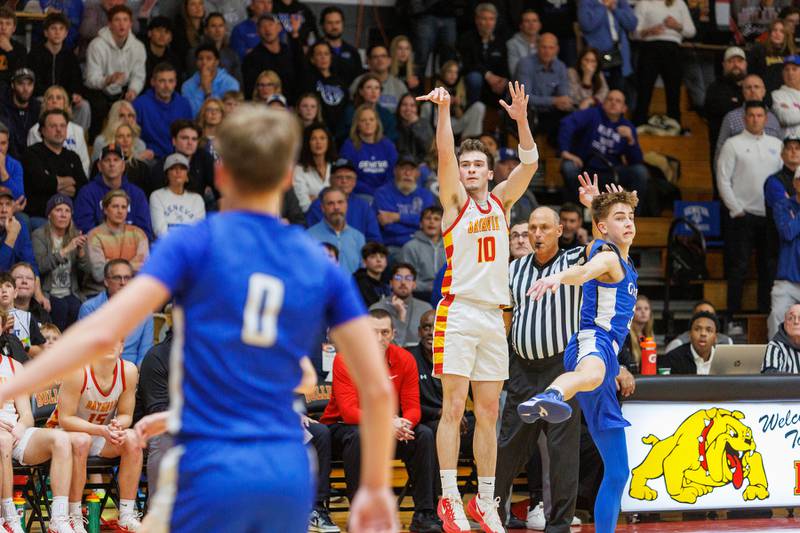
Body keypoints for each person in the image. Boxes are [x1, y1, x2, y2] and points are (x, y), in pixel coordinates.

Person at [416, 81, 538, 532]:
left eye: (476, 165)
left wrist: (522, 121)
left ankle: (485, 501)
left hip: (493, 316)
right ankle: (449, 496)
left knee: (489, 413)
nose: (468, 169)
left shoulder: (503, 203)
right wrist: (445, 111)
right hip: (459, 311)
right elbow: (444, 156)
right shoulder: (454, 205)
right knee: (453, 409)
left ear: (489, 173)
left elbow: (530, 163)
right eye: (465, 165)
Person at [518, 189, 640, 533]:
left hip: (608, 355)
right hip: (593, 341)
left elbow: (602, 232)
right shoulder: (608, 257)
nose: (628, 222)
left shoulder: (623, 258)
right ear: (602, 227)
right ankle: (552, 395)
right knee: (591, 372)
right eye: (619, 218)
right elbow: (588, 269)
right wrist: (559, 277)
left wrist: (595, 206)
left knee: (618, 472)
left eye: (630, 217)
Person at [500, 205, 601, 531]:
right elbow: (507, 318)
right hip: (523, 369)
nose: (537, 234)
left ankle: (558, 525)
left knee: (562, 452)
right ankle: (495, 514)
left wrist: (592, 208)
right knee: (508, 446)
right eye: (532, 228)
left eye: (545, 227)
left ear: (559, 230)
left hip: (561, 369)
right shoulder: (514, 270)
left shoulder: (573, 261)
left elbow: (604, 249)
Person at [321, 309, 439, 532]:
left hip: (389, 430)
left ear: (393, 334)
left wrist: (404, 425)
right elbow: (349, 412)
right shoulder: (345, 359)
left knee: (423, 434)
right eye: (373, 332)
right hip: (344, 428)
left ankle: (425, 513)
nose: (379, 338)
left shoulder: (404, 359)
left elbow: (413, 407)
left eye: (384, 332)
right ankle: (359, 513)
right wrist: (388, 423)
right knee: (358, 435)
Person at [45, 341, 143, 532]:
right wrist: (101, 430)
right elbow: (65, 419)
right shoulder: (78, 371)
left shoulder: (129, 371)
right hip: (65, 435)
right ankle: (74, 516)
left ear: (122, 347)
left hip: (99, 433)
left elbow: (126, 415)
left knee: (132, 438)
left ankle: (126, 515)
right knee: (82, 440)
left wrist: (117, 425)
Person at [0, 317, 75, 533]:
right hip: (2, 438)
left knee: (61, 438)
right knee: (2, 441)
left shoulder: (14, 367)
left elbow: (25, 414)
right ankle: (7, 516)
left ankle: (59, 519)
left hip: (13, 432)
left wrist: (19, 428)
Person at [717, 100, 782, 314]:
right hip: (743, 216)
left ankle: (765, 313)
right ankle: (733, 315)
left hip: (770, 217)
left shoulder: (776, 144)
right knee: (739, 268)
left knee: (768, 268)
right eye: (751, 115)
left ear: (766, 118)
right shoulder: (732, 144)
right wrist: (736, 210)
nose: (755, 119)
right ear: (745, 118)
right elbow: (723, 179)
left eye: (759, 115)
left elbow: (782, 180)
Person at [559, 90, 649, 207]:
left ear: (624, 108)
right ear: (603, 103)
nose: (613, 103)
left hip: (612, 170)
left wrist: (631, 140)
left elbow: (636, 161)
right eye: (610, 99)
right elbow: (567, 123)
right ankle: (579, 212)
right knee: (568, 167)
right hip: (586, 167)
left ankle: (633, 214)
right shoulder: (592, 114)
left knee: (640, 172)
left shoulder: (627, 127)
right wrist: (565, 151)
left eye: (618, 101)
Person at [83, 5, 147, 138]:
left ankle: (133, 143)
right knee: (98, 106)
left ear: (130, 23)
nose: (121, 24)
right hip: (98, 90)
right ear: (109, 24)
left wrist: (133, 90)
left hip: (123, 90)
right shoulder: (96, 45)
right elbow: (91, 78)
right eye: (117, 20)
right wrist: (108, 80)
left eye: (125, 20)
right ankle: (95, 143)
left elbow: (139, 75)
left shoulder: (138, 47)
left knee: (139, 105)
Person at [632, 0, 696, 127]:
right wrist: (648, 31)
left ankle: (674, 125)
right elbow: (633, 33)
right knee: (644, 89)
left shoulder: (679, 3)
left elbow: (691, 31)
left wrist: (677, 26)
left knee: (674, 90)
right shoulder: (643, 3)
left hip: (673, 49)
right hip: (649, 48)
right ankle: (638, 124)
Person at [78, 259, 153, 365]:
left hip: (133, 372)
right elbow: (86, 351)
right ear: (106, 281)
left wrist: (134, 375)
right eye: (117, 278)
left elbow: (145, 354)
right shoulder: (90, 309)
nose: (123, 283)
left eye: (127, 278)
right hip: (99, 370)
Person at [31, 194, 88, 331]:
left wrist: (81, 253)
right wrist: (66, 249)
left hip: (71, 291)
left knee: (78, 308)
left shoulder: (75, 235)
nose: (63, 215)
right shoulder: (39, 235)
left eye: (67, 211)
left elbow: (87, 273)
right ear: (49, 214)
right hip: (49, 291)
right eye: (58, 210)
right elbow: (40, 266)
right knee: (61, 308)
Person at [27, 12, 90, 133]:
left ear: (66, 33)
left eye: (61, 29)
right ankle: (42, 134)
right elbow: (33, 83)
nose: (57, 32)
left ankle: (76, 138)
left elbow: (76, 82)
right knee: (37, 103)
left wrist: (73, 96)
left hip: (65, 99)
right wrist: (52, 98)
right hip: (44, 98)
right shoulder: (35, 55)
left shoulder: (70, 56)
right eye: (53, 28)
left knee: (84, 106)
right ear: (46, 32)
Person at [21, 109, 88, 221]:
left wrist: (53, 184)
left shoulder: (73, 157)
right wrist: (69, 182)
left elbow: (83, 187)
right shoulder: (31, 153)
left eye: (62, 126)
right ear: (42, 130)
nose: (59, 130)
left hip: (70, 218)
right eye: (53, 126)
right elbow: (39, 182)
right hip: (40, 217)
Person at [74, 144, 152, 238]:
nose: (112, 164)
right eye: (107, 160)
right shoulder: (87, 193)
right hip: (98, 248)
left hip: (130, 248)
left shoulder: (137, 194)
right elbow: (84, 230)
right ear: (99, 166)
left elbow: (144, 232)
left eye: (116, 160)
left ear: (123, 166)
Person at [84, 190, 150, 298]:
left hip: (132, 291)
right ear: (105, 209)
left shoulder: (139, 234)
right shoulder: (94, 235)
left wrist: (110, 265)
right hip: (100, 293)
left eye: (124, 207)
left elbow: (145, 269)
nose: (120, 211)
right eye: (115, 206)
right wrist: (132, 264)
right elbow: (99, 274)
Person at [305, 158, 382, 243]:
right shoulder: (317, 206)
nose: (344, 181)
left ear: (354, 182)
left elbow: (374, 239)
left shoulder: (364, 207)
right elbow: (311, 240)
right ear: (330, 180)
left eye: (348, 177)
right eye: (339, 177)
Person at [373, 154, 436, 251]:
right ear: (395, 171)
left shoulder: (426, 195)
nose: (407, 173)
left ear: (418, 173)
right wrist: (417, 223)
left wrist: (397, 217)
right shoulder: (382, 193)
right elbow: (389, 227)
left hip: (422, 245)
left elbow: (431, 223)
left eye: (412, 169)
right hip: (394, 245)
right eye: (403, 169)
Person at [135, 334, 172, 497]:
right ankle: (157, 510)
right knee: (165, 437)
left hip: (196, 423)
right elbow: (157, 409)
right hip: (149, 429)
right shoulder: (158, 356)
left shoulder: (211, 357)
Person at [714, 74, 782, 162]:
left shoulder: (773, 118)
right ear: (743, 92)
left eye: (756, 87)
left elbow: (782, 150)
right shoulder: (731, 118)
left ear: (764, 91)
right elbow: (720, 150)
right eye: (748, 87)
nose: (753, 90)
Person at [515, 33, 572, 138]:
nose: (547, 51)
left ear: (557, 49)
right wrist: (554, 101)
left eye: (551, 48)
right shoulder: (525, 64)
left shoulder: (561, 66)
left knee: (571, 119)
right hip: (529, 112)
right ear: (537, 47)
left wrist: (563, 101)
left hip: (550, 112)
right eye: (544, 47)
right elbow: (525, 98)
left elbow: (563, 96)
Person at [133, 62, 193, 159]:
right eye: (162, 81)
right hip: (151, 158)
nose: (167, 86)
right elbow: (132, 135)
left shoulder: (184, 104)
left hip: (179, 157)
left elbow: (190, 133)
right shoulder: (139, 104)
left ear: (175, 83)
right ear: (153, 82)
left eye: (171, 81)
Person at [27, 85, 91, 176]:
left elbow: (84, 161)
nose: (54, 101)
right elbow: (33, 162)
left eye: (59, 98)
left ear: (65, 103)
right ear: (45, 103)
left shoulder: (78, 130)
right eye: (50, 98)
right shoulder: (35, 131)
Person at [767, 160, 800, 338]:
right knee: (776, 316)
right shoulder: (783, 205)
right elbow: (787, 232)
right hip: (787, 282)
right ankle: (775, 360)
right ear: (795, 183)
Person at [148, 120, 216, 204]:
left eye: (194, 139)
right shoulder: (161, 166)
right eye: (185, 138)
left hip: (199, 209)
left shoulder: (204, 158)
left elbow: (220, 192)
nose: (190, 143)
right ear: (174, 141)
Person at [340, 105, 398, 199]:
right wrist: (373, 192)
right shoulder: (349, 146)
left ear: (377, 123)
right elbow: (348, 176)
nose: (368, 123)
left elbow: (393, 173)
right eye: (363, 120)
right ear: (357, 124)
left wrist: (382, 191)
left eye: (371, 120)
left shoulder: (388, 145)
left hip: (386, 193)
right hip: (360, 194)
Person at [242, 14, 304, 103]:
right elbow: (251, 90)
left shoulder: (288, 52)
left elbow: (302, 72)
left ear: (279, 28)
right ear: (258, 31)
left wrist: (294, 33)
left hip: (291, 107)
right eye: (263, 26)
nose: (267, 29)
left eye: (271, 25)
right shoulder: (252, 58)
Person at [577, 0, 637, 91]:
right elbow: (586, 25)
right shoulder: (586, 2)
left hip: (618, 55)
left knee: (618, 93)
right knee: (599, 91)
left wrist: (615, 9)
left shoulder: (620, 2)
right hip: (597, 56)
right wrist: (603, 6)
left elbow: (632, 24)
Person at [369, 263, 433, 347]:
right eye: (398, 278)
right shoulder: (377, 309)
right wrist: (401, 316)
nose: (403, 282)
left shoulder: (425, 309)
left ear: (414, 284)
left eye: (408, 278)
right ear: (391, 283)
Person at [458, 3, 509, 107]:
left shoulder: (500, 40)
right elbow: (468, 64)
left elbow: (504, 64)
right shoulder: (466, 38)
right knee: (475, 78)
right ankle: (473, 110)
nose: (488, 23)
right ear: (477, 20)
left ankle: (505, 119)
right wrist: (487, 75)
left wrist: (503, 80)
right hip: (475, 79)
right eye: (484, 19)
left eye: (491, 19)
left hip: (494, 82)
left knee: (511, 84)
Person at [307, 187, 366, 274]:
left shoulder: (358, 237)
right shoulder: (309, 236)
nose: (336, 207)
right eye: (330, 203)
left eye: (340, 202)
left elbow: (363, 272)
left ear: (346, 205)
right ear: (322, 208)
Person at [704, 47, 747, 164]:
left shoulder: (751, 86)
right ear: (724, 65)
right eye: (731, 61)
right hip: (723, 149)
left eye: (739, 61)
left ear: (745, 64)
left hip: (749, 150)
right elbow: (721, 110)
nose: (735, 65)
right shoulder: (715, 88)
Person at [150, 154, 206, 238]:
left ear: (187, 175)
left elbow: (199, 232)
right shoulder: (156, 196)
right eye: (173, 168)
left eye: (182, 168)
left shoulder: (197, 199)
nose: (178, 171)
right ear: (167, 174)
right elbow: (160, 231)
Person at [431, 61, 486, 141]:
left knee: (479, 107)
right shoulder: (436, 84)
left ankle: (468, 143)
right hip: (441, 125)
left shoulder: (460, 86)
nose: (453, 75)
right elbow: (433, 113)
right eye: (450, 72)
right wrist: (445, 104)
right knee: (428, 107)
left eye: (456, 72)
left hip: (456, 124)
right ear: (443, 73)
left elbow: (460, 116)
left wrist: (457, 105)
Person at [181, 44, 240, 116]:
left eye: (209, 58)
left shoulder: (231, 83)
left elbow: (229, 112)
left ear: (216, 62)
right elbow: (192, 114)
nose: (204, 62)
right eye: (200, 59)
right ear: (196, 62)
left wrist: (208, 91)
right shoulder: (187, 86)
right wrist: (201, 88)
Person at [401, 206, 445, 302]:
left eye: (436, 219)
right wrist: (431, 287)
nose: (431, 222)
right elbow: (408, 278)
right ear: (421, 224)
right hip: (420, 295)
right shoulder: (410, 247)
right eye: (428, 218)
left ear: (443, 224)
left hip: (446, 293)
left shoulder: (451, 246)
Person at [338, 75, 398, 143]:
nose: (373, 91)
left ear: (380, 92)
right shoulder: (350, 112)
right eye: (369, 87)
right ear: (361, 91)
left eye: (377, 88)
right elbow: (341, 136)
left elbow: (392, 137)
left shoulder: (386, 114)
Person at [349, 44, 409, 114]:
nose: (380, 59)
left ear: (389, 60)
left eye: (383, 56)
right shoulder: (358, 82)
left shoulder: (399, 86)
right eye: (375, 57)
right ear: (368, 61)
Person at [303, 41, 348, 128]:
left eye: (326, 54)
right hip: (317, 129)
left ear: (331, 57)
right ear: (312, 59)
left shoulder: (340, 82)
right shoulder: (308, 81)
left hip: (340, 131)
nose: (323, 57)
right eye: (319, 54)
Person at [189, 12, 243, 84]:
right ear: (206, 30)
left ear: (225, 29)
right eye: (213, 26)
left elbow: (238, 83)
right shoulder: (194, 53)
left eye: (221, 26)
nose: (218, 30)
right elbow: (192, 80)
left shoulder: (232, 55)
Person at [0, 69, 41, 160]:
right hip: (9, 159)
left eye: (29, 84)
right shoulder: (2, 107)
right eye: (21, 83)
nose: (25, 88)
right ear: (12, 85)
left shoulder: (38, 108)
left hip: (35, 160)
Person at [0, 273, 45, 356]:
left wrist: (23, 346)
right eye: (0, 287)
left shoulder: (27, 317)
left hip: (23, 367)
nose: (3, 290)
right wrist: (2, 330)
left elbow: (42, 350)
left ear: (15, 293)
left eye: (8, 286)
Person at [293, 124, 335, 213]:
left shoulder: (334, 166)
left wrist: (316, 199)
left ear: (328, 142)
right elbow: (304, 205)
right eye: (313, 139)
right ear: (307, 143)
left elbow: (343, 199)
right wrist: (329, 201)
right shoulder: (299, 170)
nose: (318, 142)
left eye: (322, 138)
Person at [664, 300, 733, 352]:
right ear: (693, 318)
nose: (706, 318)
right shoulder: (678, 344)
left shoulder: (727, 341)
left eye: (710, 315)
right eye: (701, 314)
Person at [318, 6, 363, 86]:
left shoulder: (352, 52)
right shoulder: (315, 50)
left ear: (343, 24)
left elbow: (359, 80)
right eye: (330, 23)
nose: (334, 27)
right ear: (322, 25)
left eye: (337, 22)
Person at [748, 19, 795, 94]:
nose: (777, 34)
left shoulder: (792, 53)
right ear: (770, 33)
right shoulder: (758, 50)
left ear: (786, 35)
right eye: (774, 30)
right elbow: (751, 74)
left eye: (781, 31)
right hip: (763, 93)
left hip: (786, 94)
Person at [0, 188, 39, 279]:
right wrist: (11, 237)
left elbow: (30, 262)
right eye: (0, 204)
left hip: (13, 285)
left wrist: (38, 291)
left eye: (8, 204)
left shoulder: (19, 225)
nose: (4, 210)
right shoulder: (14, 230)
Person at [618, 294, 654, 374]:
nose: (643, 312)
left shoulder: (648, 335)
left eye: (646, 309)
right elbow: (627, 362)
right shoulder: (625, 336)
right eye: (638, 309)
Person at [10, 262, 52, 328]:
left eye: (29, 278)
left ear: (35, 285)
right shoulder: (2, 313)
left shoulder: (42, 314)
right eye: (19, 277)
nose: (24, 281)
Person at [762, 303, 800, 373]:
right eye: (791, 318)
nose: (796, 322)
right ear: (785, 324)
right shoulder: (776, 346)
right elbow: (770, 375)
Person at [143, 16, 183, 82]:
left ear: (171, 38)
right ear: (149, 33)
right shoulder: (139, 54)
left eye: (166, 32)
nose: (162, 35)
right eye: (159, 30)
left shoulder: (174, 60)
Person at [396, 93, 433, 162]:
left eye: (412, 105)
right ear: (399, 107)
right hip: (398, 164)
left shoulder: (424, 124)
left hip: (421, 164)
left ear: (417, 109)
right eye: (404, 105)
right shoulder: (393, 123)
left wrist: (416, 125)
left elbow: (428, 148)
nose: (408, 108)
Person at [353, 241, 390, 307]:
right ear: (364, 262)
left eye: (382, 256)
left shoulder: (388, 282)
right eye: (373, 257)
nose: (378, 260)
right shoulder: (359, 283)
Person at [0, 8, 27, 97]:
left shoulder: (20, 49)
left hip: (11, 91)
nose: (3, 28)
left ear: (14, 28)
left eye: (8, 24)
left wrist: (9, 51)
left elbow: (21, 74)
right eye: (0, 23)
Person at [507, 8, 541, 76]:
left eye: (534, 21)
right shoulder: (512, 44)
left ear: (540, 25)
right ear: (521, 26)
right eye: (527, 21)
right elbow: (514, 71)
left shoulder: (546, 42)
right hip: (523, 83)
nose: (531, 24)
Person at [771, 55, 800, 137]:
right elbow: (786, 118)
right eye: (786, 70)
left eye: (794, 69)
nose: (790, 73)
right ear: (782, 73)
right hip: (790, 146)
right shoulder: (777, 95)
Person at [0, 124, 24, 208]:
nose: (0, 148)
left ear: (8, 144)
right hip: (8, 209)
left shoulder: (15, 165)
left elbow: (20, 198)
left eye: (3, 143)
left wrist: (3, 171)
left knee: (23, 220)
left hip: (9, 210)